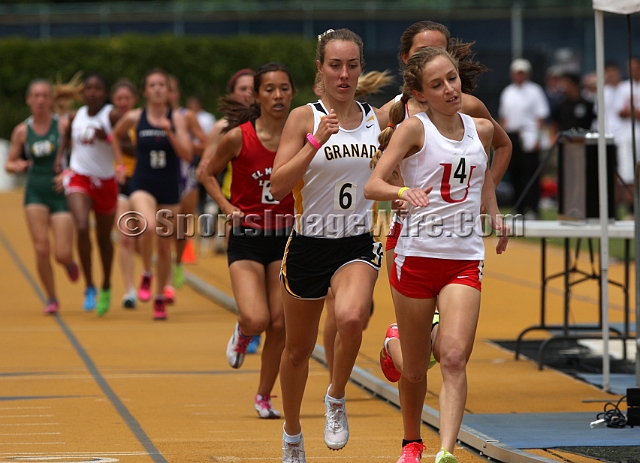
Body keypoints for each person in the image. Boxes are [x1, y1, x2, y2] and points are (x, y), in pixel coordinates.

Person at [363, 46, 509, 463]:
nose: (449, 89)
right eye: (437, 84)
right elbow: (374, 185)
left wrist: (494, 213)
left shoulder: (480, 129)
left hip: (463, 257)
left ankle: (446, 451)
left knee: (453, 355)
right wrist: (401, 191)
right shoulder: (414, 130)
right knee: (413, 367)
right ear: (420, 93)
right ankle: (412, 441)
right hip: (416, 255)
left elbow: (482, 175)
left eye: (452, 78)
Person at [270, 28, 389, 461]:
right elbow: (278, 185)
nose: (344, 74)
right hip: (307, 245)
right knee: (297, 350)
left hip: (355, 243)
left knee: (353, 317)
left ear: (361, 68)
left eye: (352, 65)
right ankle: (292, 431)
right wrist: (316, 141)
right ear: (320, 68)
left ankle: (336, 395)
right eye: (335, 65)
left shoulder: (378, 120)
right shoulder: (304, 117)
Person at [201, 62, 296, 419]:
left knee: (279, 324)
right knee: (257, 318)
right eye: (269, 89)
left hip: (285, 237)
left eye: (284, 88)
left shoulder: (301, 135)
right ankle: (243, 332)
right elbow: (207, 172)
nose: (277, 95)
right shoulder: (239, 136)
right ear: (256, 95)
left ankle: (263, 395)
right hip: (246, 236)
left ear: (293, 94)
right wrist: (226, 207)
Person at [111, 68, 192, 320]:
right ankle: (146, 272)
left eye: (162, 85)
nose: (157, 89)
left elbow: (188, 155)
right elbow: (114, 136)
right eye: (152, 85)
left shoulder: (176, 119)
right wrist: (119, 165)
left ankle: (159, 297)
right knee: (147, 227)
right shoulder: (136, 117)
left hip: (168, 188)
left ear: (168, 91)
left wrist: (169, 131)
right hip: (142, 184)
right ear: (145, 91)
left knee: (165, 245)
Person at [4, 79, 79, 315]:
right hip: (35, 191)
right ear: (28, 100)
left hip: (59, 192)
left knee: (61, 252)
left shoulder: (64, 125)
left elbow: (80, 156)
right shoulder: (22, 131)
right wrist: (16, 166)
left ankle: (68, 262)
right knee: (42, 248)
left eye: (45, 95)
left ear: (51, 100)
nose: (40, 100)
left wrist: (68, 172)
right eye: (35, 96)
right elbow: (9, 162)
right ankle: (51, 297)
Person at [58, 74, 125, 316]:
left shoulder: (111, 115)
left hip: (106, 182)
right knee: (82, 225)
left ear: (105, 93)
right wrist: (59, 161)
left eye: (97, 88)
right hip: (80, 176)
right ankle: (89, 286)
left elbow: (129, 147)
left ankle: (106, 284)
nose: (92, 92)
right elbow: (65, 138)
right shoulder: (76, 116)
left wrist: (106, 137)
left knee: (104, 240)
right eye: (88, 88)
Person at [163, 75, 209, 303]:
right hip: (163, 176)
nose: (166, 94)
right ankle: (166, 280)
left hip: (186, 176)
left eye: (170, 89)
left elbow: (205, 142)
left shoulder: (187, 116)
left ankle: (178, 261)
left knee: (181, 226)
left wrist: (186, 144)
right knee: (165, 228)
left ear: (176, 93)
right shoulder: (152, 117)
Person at [498, 58, 550, 219]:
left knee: (532, 174)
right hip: (513, 136)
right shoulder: (507, 92)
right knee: (515, 174)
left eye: (522, 73)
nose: (519, 76)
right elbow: (504, 117)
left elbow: (541, 117)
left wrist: (538, 138)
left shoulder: (535, 91)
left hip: (529, 135)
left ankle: (534, 208)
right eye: (516, 73)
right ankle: (518, 207)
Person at [110, 78, 140, 309]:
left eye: (126, 98)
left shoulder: (143, 119)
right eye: (119, 98)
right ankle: (130, 289)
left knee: (147, 235)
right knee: (126, 237)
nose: (122, 102)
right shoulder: (108, 120)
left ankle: (155, 279)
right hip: (120, 182)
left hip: (144, 183)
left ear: (134, 100)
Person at [613, 56, 640, 215]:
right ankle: (632, 209)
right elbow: (619, 111)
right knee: (627, 172)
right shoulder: (623, 87)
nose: (632, 71)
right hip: (626, 136)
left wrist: (632, 112)